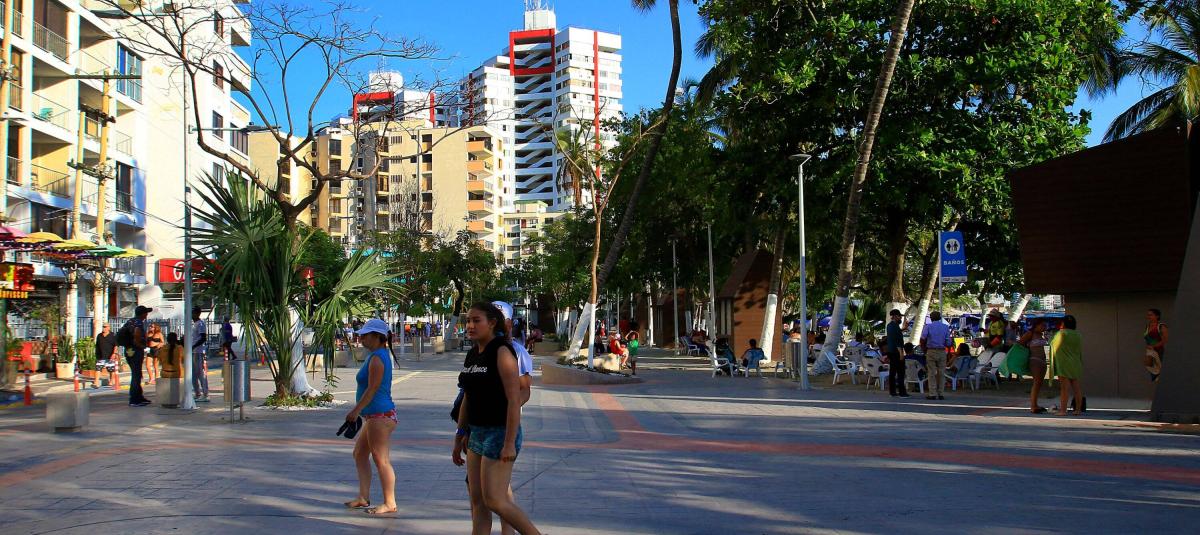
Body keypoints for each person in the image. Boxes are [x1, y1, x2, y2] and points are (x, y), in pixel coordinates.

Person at [452, 302, 540, 535]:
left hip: (499, 432)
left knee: (495, 500)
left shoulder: (502, 352)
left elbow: (514, 399)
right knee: (478, 502)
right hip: (476, 433)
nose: (470, 326)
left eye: (476, 320)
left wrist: (509, 443)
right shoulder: (472, 354)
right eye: (468, 321)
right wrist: (460, 434)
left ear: (492, 323)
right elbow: (467, 398)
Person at [344, 318, 398, 516]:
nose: (362, 339)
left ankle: (390, 502)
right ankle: (363, 497)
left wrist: (355, 410)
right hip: (373, 415)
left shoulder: (377, 358)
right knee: (360, 453)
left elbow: (373, 388)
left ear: (377, 337)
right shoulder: (375, 355)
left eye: (366, 335)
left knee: (381, 459)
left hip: (380, 415)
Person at [119, 306, 153, 406]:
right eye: (146, 313)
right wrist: (142, 346)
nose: (147, 315)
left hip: (129, 350)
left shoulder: (130, 321)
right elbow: (137, 335)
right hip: (135, 350)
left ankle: (139, 396)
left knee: (137, 373)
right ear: (142, 314)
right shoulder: (138, 323)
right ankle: (134, 399)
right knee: (136, 374)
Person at [1052, 315, 1084, 416]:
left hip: (1063, 363)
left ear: (1063, 323)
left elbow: (1053, 344)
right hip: (1076, 362)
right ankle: (1078, 409)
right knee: (1076, 388)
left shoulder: (1061, 333)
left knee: (1064, 388)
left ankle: (1063, 410)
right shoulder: (1078, 335)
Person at [920, 311, 953, 401]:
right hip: (942, 351)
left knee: (931, 373)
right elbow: (948, 342)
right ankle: (941, 393)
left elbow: (922, 339)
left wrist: (924, 349)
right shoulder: (945, 327)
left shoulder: (928, 327)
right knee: (941, 373)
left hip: (931, 350)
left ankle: (932, 393)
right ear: (940, 318)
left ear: (931, 318)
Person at [1021, 319, 1050, 414]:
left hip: (1043, 361)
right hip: (1035, 360)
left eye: (1045, 325)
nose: (1044, 327)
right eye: (1042, 325)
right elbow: (1020, 343)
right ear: (1036, 325)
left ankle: (1035, 404)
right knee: (1036, 383)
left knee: (1040, 383)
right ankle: (1033, 406)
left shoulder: (1041, 335)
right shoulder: (1030, 334)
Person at [885, 309, 908, 397]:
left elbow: (895, 334)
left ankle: (893, 392)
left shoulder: (890, 326)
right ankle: (902, 392)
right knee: (900, 372)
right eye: (899, 316)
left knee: (893, 372)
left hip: (891, 351)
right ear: (894, 316)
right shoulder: (894, 326)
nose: (900, 318)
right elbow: (897, 341)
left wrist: (903, 329)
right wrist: (901, 354)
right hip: (896, 352)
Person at [1144, 308, 1168, 382]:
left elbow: (1165, 340)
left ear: (1157, 316)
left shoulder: (1161, 326)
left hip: (1159, 350)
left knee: (1160, 368)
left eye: (1151, 315)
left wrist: (1154, 346)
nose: (1148, 317)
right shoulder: (1147, 326)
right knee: (1149, 365)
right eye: (1148, 315)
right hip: (1150, 351)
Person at [191, 307, 210, 403]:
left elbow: (203, 338)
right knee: (193, 374)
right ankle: (197, 392)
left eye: (193, 313)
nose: (192, 315)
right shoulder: (194, 324)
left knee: (201, 373)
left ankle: (205, 394)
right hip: (193, 352)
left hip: (199, 352)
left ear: (198, 313)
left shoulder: (200, 324)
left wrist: (194, 346)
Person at [93, 324, 119, 390]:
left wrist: (114, 353)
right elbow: (97, 345)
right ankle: (96, 382)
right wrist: (96, 354)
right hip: (101, 356)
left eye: (105, 327)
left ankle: (111, 380)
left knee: (111, 369)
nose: (104, 328)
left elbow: (116, 345)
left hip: (110, 356)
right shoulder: (99, 335)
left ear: (109, 328)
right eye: (103, 327)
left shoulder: (113, 335)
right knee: (98, 368)